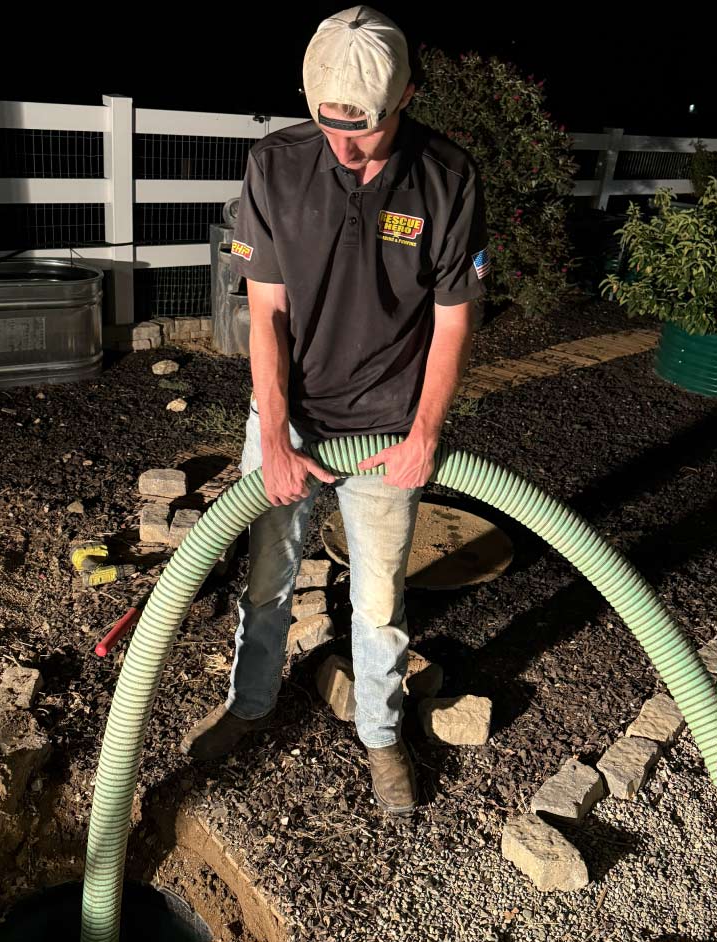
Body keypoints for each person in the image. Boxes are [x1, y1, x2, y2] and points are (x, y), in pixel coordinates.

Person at [181, 5, 489, 815]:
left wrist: (425, 434)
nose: (345, 149)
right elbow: (266, 311)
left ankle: (381, 735)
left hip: (388, 426)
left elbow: (454, 320)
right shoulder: (276, 166)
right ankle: (250, 705)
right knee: (266, 578)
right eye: (329, 125)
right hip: (290, 418)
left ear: (407, 97)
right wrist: (275, 436)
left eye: (366, 129)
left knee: (379, 599)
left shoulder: (447, 177)